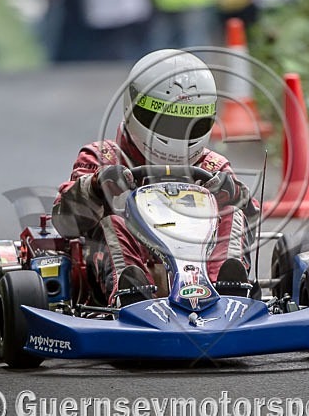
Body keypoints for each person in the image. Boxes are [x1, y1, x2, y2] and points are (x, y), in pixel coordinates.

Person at [52, 49, 258, 307]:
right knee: (112, 222)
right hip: (135, 271)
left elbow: (250, 220)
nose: (177, 134)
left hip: (199, 267)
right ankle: (130, 296)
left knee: (233, 213)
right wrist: (96, 187)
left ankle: (227, 295)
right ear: (132, 107)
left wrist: (234, 194)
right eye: (165, 121)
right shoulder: (103, 158)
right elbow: (65, 222)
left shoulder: (212, 167)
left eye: (189, 124)